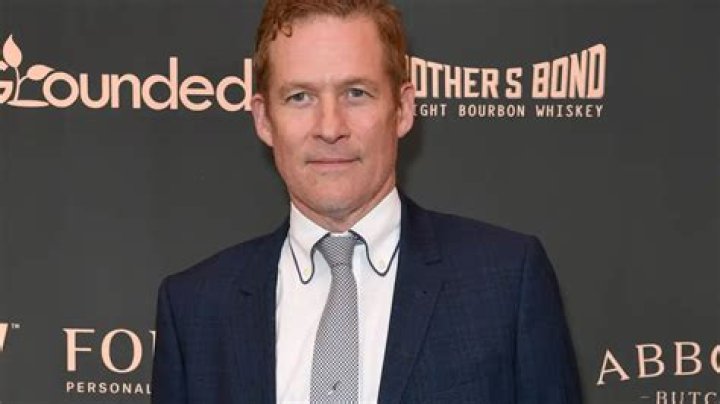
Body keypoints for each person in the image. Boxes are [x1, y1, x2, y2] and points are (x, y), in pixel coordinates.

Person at [151, 0, 582, 403]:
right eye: (300, 97)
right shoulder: (194, 310)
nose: (330, 127)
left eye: (356, 92)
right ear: (264, 119)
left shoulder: (507, 282)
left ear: (403, 108)